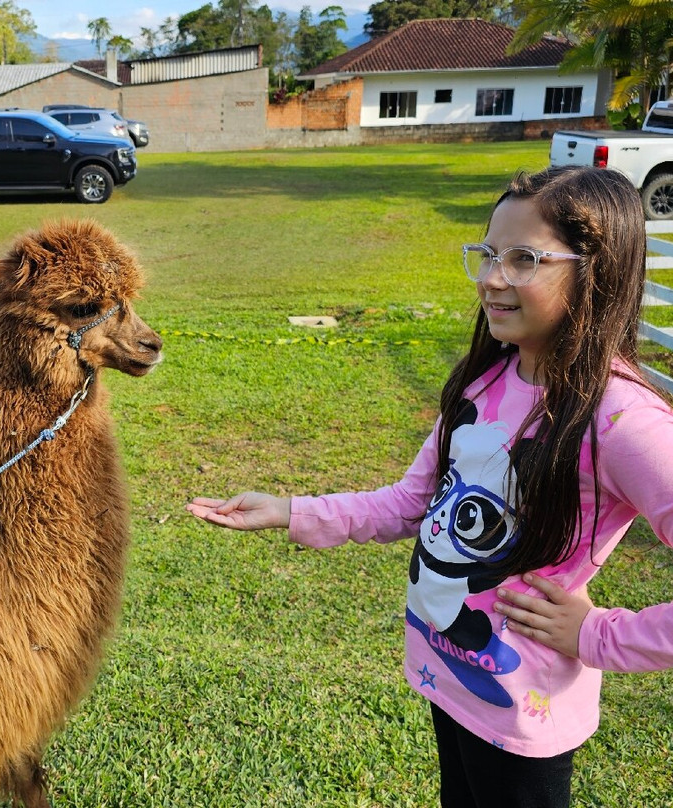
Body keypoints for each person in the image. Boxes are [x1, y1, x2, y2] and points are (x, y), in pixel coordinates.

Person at [187, 165, 673, 808]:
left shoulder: (623, 421)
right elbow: (413, 502)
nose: (492, 278)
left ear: (596, 272)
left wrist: (598, 636)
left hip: (523, 713)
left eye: (524, 259)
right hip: (449, 675)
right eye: (488, 254)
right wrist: (290, 510)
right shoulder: (486, 378)